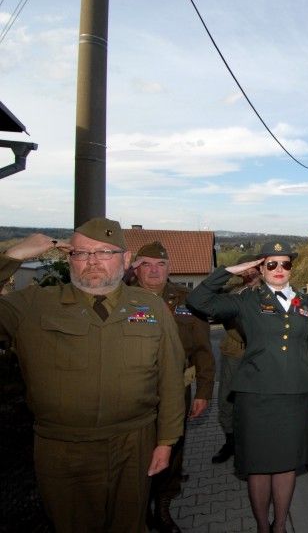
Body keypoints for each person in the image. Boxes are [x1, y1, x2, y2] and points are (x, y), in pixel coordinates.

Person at [0, 218, 185, 532]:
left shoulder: (150, 307)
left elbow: (170, 378)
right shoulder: (35, 304)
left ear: (126, 260)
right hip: (63, 448)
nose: (92, 262)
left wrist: (166, 441)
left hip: (135, 444)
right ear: (70, 258)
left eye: (104, 253)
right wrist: (13, 256)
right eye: (82, 254)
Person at [187, 239, 308, 533]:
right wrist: (229, 270)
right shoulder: (246, 300)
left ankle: (280, 525)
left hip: (296, 396)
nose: (279, 269)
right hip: (257, 397)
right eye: (271, 264)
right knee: (259, 465)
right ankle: (263, 526)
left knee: (287, 463)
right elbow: (198, 301)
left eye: (285, 263)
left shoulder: (307, 302)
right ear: (260, 268)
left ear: (292, 268)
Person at [128, 241, 216, 532]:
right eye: (147, 264)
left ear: (170, 268)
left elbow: (203, 349)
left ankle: (163, 506)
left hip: (177, 390)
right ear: (135, 268)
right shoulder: (122, 299)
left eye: (160, 264)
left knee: (173, 449)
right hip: (134, 392)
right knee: (135, 452)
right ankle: (138, 508)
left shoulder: (187, 300)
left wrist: (203, 392)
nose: (154, 270)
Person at [211, 255, 262, 465]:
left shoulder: (271, 293)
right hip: (235, 352)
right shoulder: (232, 292)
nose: (250, 274)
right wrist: (228, 273)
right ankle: (230, 441)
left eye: (254, 269)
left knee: (256, 402)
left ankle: (254, 443)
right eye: (246, 271)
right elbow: (205, 297)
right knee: (226, 400)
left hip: (260, 355)